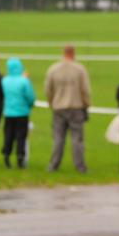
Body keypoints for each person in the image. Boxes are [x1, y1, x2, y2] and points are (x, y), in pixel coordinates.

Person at [44, 44, 91, 173]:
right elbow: (85, 90)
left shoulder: (53, 69)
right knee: (77, 139)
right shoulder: (79, 69)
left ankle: (53, 165)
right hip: (76, 107)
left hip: (58, 108)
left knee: (58, 138)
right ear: (73, 53)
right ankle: (80, 166)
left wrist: (51, 103)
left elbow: (48, 90)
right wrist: (86, 105)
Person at [0, 57, 35, 169]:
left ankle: (6, 155)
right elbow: (30, 97)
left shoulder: (5, 80)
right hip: (22, 113)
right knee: (21, 136)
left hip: (8, 113)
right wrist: (29, 105)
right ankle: (20, 157)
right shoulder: (24, 81)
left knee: (8, 135)